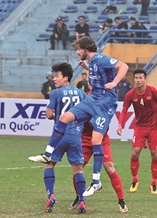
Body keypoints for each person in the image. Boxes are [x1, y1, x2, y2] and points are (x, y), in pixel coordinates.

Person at [29, 36, 129, 197]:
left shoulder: (101, 58)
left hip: (105, 103)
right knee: (63, 118)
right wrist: (88, 67)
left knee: (96, 141)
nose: (77, 52)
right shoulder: (93, 63)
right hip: (92, 99)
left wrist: (115, 82)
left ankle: (96, 181)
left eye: (78, 49)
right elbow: (99, 74)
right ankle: (47, 153)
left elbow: (124, 66)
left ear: (85, 49)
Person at [40, 63, 88, 213]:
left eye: (57, 76)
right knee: (78, 169)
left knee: (49, 165)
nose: (54, 79)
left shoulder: (56, 93)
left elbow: (48, 114)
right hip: (75, 135)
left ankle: (51, 195)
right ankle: (81, 201)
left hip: (59, 135)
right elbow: (87, 113)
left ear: (65, 78)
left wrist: (56, 118)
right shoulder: (81, 93)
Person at [117, 69, 157, 194]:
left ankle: (154, 183)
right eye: (136, 78)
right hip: (139, 127)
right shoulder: (130, 94)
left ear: (145, 79)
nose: (138, 80)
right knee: (135, 152)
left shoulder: (153, 91)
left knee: (154, 154)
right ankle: (135, 180)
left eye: (140, 78)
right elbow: (124, 110)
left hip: (154, 127)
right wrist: (120, 124)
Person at [78, 118, 128, 213]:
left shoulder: (105, 105)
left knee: (109, 168)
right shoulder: (83, 104)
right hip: (85, 139)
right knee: (78, 168)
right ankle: (80, 199)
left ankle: (121, 201)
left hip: (101, 139)